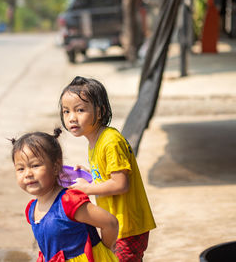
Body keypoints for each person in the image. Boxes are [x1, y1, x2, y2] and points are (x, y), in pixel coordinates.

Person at [59, 76, 156, 262]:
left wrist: (86, 189)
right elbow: (107, 176)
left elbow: (120, 184)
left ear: (101, 111)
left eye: (80, 110)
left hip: (127, 225)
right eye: (66, 111)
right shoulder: (95, 140)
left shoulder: (110, 141)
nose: (72, 117)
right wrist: (88, 173)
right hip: (117, 224)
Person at [11, 128, 119, 262]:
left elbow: (110, 223)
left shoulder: (69, 202)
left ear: (56, 167)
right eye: (20, 168)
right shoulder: (31, 210)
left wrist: (104, 252)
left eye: (35, 165)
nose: (27, 174)